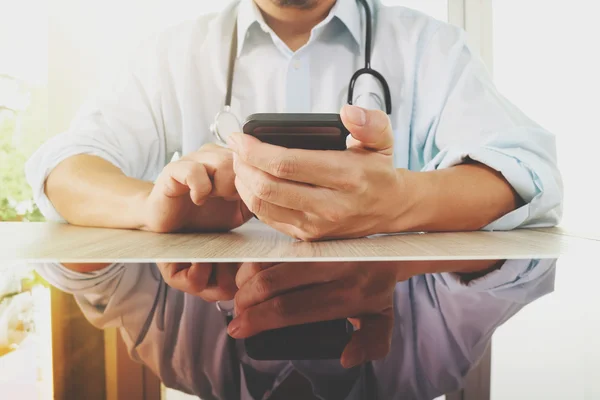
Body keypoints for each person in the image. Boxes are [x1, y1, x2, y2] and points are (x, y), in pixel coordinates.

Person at [26, 0, 563, 399]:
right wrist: (152, 206)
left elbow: (528, 174)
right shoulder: (166, 55)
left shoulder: (433, 46)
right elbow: (63, 169)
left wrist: (403, 199)